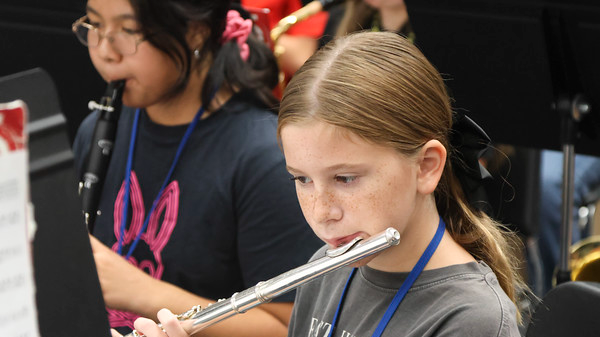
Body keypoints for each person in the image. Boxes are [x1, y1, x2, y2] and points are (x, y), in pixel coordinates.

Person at [120, 31, 526, 337]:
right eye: (301, 179)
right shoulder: (326, 270)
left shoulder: (474, 319)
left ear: (426, 167)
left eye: (345, 178)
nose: (321, 212)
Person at [70, 0, 321, 335]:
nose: (106, 51)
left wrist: (141, 292)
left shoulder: (265, 159)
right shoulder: (98, 130)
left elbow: (289, 326)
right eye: (96, 25)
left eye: (128, 30)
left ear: (196, 31)